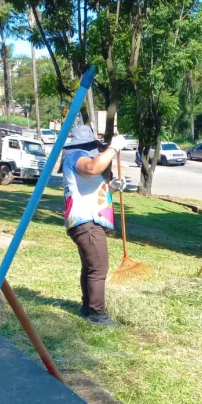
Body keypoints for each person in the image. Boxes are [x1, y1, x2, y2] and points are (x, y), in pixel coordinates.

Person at [60, 125, 126, 327]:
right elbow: (92, 168)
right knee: (98, 268)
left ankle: (87, 308)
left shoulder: (81, 161)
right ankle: (98, 315)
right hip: (86, 223)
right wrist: (113, 148)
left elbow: (91, 193)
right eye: (95, 147)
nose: (97, 151)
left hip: (85, 222)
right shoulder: (75, 157)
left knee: (90, 267)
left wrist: (112, 188)